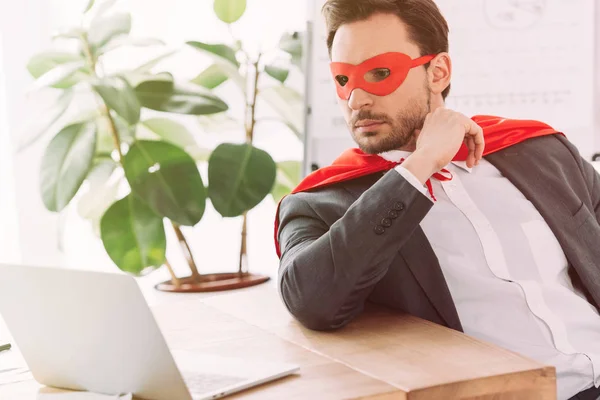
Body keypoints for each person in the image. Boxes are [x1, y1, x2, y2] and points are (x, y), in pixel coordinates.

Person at [273, 1, 600, 399]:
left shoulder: (542, 152)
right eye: (343, 79)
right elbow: (311, 301)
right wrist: (421, 164)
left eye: (379, 73)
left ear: (438, 72)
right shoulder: (319, 203)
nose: (356, 99)